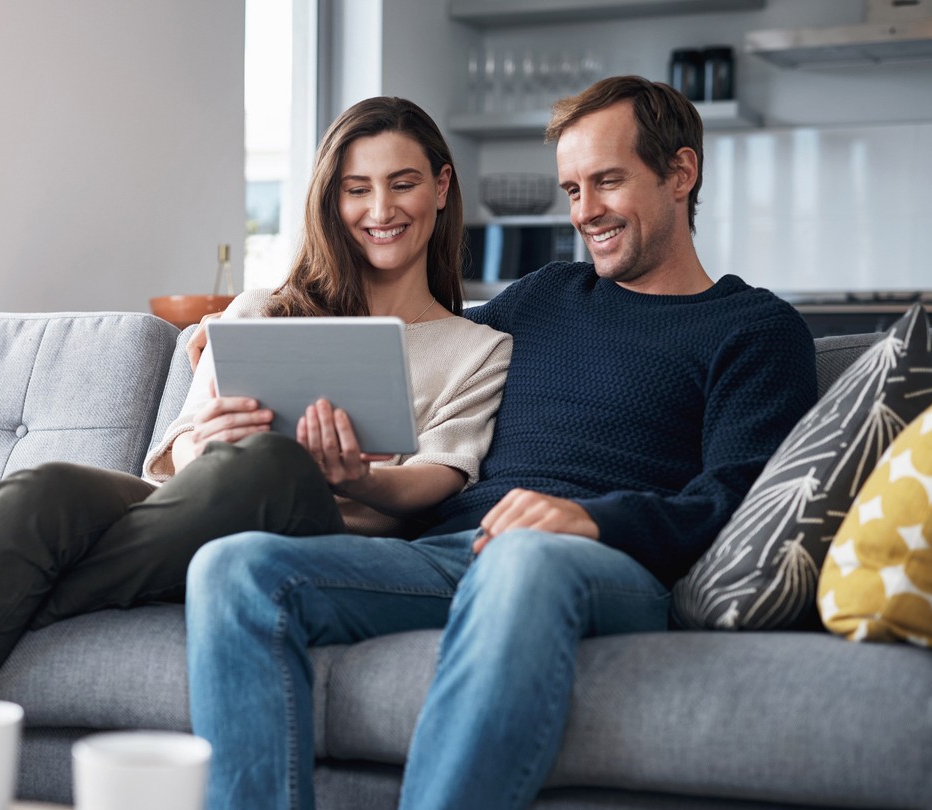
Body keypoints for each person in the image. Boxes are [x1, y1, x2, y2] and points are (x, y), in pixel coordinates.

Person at [0, 96, 512, 754]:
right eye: (356, 188)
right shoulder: (264, 310)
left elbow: (440, 477)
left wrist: (358, 479)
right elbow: (176, 454)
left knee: (272, 465)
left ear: (441, 186)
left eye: (402, 183)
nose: (380, 208)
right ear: (331, 199)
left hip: (323, 535)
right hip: (197, 507)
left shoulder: (477, 348)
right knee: (42, 492)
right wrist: (207, 440)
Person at [184, 75, 819, 810]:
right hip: (452, 551)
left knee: (522, 556)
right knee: (235, 569)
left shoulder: (754, 329)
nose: (585, 211)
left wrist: (590, 518)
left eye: (607, 181)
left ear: (680, 173)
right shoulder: (545, 295)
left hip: (601, 563)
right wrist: (245, 340)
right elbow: (418, 336)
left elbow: (740, 501)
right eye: (572, 189)